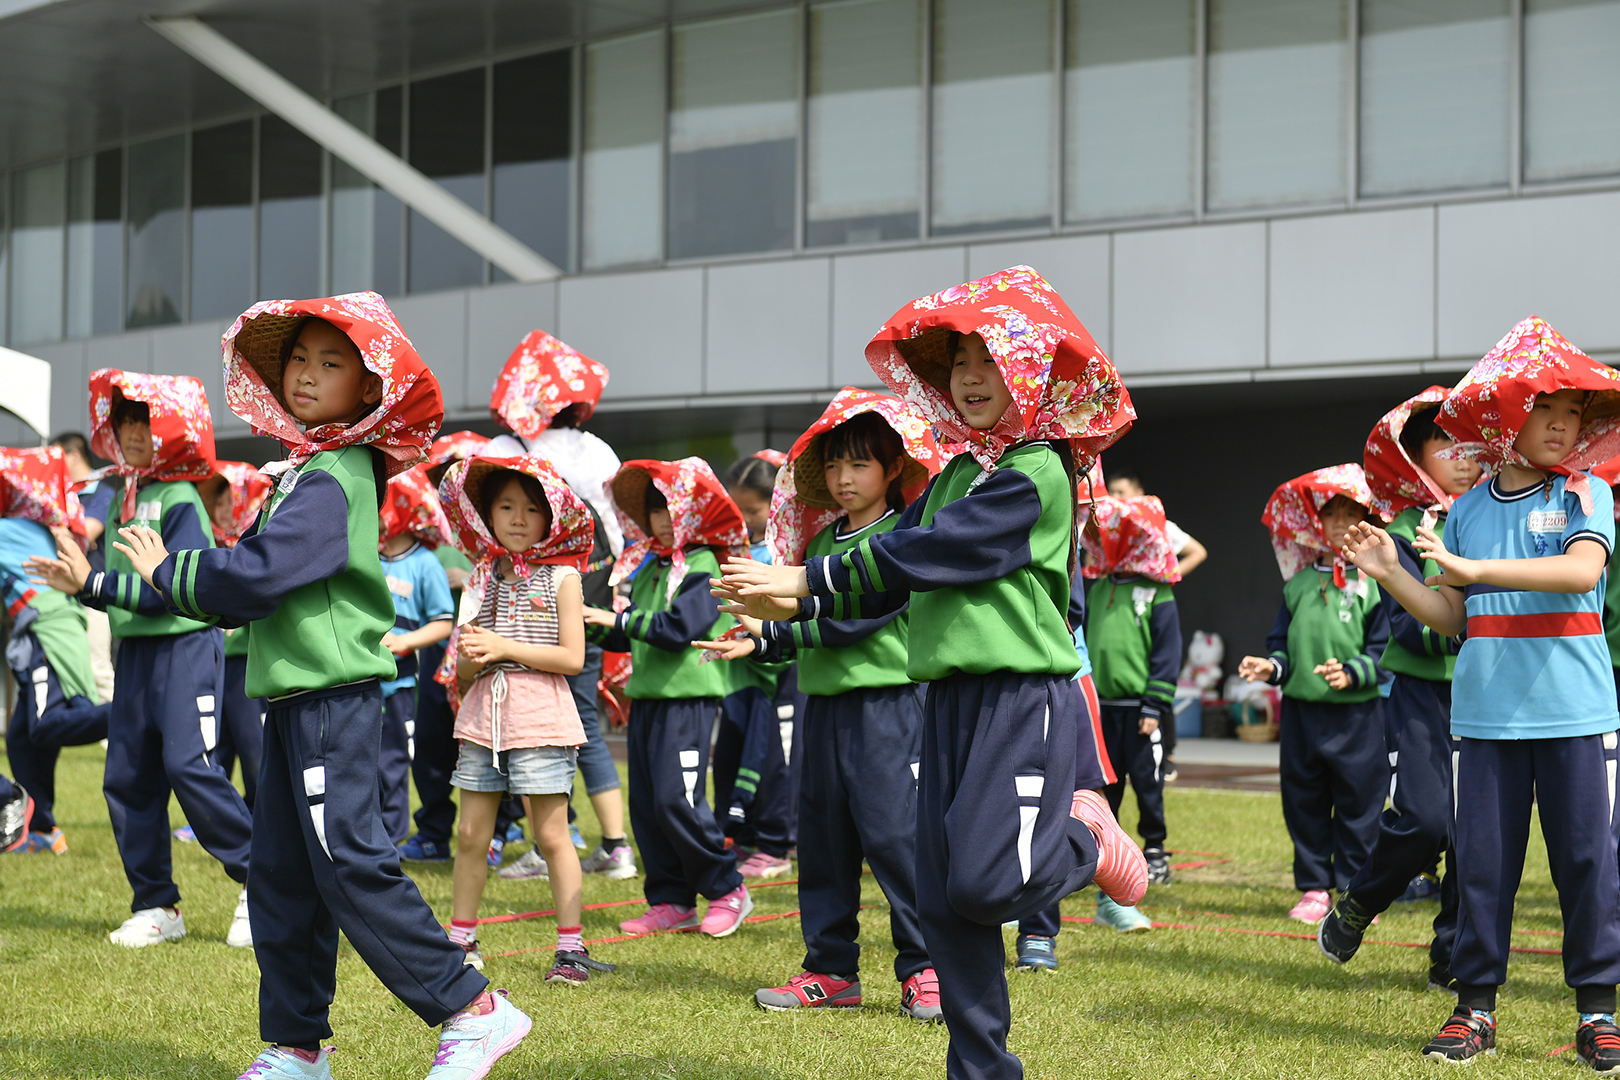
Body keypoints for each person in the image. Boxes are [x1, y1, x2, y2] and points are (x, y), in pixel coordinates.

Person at [715, 266, 1145, 1080]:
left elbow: (933, 550)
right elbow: (889, 563)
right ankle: (980, 1070)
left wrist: (806, 581)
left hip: (1021, 701)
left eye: (989, 359)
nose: (971, 377)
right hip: (944, 701)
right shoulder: (954, 471)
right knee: (947, 899)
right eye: (958, 364)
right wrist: (792, 608)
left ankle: (1087, 834)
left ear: (1030, 376)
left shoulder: (1042, 468)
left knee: (985, 885)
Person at [114, 293, 526, 1080]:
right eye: (297, 359)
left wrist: (172, 572)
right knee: (280, 879)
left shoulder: (337, 472)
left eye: (330, 364)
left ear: (369, 391)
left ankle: (472, 1008)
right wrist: (130, 582)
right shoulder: (311, 468)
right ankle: (298, 1047)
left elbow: (263, 575)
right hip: (294, 706)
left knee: (349, 862)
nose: (304, 374)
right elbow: (259, 582)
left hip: (332, 707)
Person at [1342, 317, 1620, 1070]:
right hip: (1487, 719)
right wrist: (1393, 572)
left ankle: (1598, 1009)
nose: (1564, 427)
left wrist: (1475, 570)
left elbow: (1580, 575)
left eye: (1576, 415)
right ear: (1508, 414)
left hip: (1578, 716)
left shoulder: (1585, 496)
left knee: (1587, 863)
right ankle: (1475, 1009)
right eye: (1547, 411)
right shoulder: (1462, 513)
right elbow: (1453, 619)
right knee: (1484, 868)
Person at [697, 390, 947, 1019]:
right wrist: (756, 641)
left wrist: (777, 626)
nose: (842, 479)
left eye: (859, 464)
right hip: (823, 710)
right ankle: (830, 969)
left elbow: (860, 614)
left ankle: (927, 968)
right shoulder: (821, 542)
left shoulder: (905, 536)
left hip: (888, 708)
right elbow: (804, 629)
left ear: (894, 469)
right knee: (824, 841)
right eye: (834, 466)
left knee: (896, 840)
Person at [27, 371, 254, 950]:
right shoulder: (123, 491)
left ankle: (264, 885)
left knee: (191, 768)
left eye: (145, 421)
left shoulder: (180, 500)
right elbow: (96, 564)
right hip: (136, 654)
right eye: (125, 420)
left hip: (185, 648)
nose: (131, 432)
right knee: (126, 776)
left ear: (173, 430)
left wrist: (92, 583)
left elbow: (169, 590)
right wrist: (79, 581)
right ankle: (156, 905)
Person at [1317, 388, 1480, 987]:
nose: (1465, 457)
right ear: (1413, 457)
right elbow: (1413, 627)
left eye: (1472, 445)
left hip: (1486, 696)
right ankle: (1360, 904)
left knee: (1474, 830)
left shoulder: (1491, 515)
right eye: (1446, 444)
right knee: (1425, 818)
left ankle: (1452, 956)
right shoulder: (1400, 529)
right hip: (1420, 695)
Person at [436, 453, 615, 986]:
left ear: (551, 517)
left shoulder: (564, 578)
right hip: (483, 718)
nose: (516, 518)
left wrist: (501, 646)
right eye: (505, 506)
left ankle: (570, 948)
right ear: (487, 515)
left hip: (541, 716)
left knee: (551, 834)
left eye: (530, 509)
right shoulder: (481, 577)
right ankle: (461, 938)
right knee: (470, 833)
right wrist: (472, 655)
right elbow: (467, 663)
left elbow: (572, 659)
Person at [583, 457, 755, 938]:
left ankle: (728, 889)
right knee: (648, 805)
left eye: (671, 509)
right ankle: (671, 900)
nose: (661, 519)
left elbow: (680, 629)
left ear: (694, 514)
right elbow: (632, 633)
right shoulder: (648, 566)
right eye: (654, 510)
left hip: (688, 700)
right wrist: (587, 623)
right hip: (650, 697)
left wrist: (612, 621)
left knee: (677, 800)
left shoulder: (703, 564)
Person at [486, 331, 632, 880]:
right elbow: (621, 534)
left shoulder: (507, 452)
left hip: (521, 603)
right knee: (583, 721)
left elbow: (480, 527)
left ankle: (555, 841)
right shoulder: (597, 450)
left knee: (528, 723)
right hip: (585, 597)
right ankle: (615, 846)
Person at [1240, 466, 1388, 925]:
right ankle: (1312, 888)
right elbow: (1281, 643)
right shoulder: (1299, 583)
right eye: (1332, 515)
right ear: (1316, 524)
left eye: (1352, 513)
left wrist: (1354, 672)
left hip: (1359, 717)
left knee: (1360, 804)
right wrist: (1272, 668)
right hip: (1303, 714)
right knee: (1303, 800)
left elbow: (1385, 649)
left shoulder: (1378, 582)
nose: (1341, 524)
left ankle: (1353, 887)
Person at [2, 446, 106, 853]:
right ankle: (42, 829)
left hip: (48, 634)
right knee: (21, 738)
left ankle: (132, 713)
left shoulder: (10, 528)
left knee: (45, 725)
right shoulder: (27, 526)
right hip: (45, 631)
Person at [1083, 494, 1183, 889]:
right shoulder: (1096, 585)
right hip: (1100, 708)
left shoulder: (1158, 592)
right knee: (1106, 786)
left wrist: (1154, 705)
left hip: (1140, 710)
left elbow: (1167, 652)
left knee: (1147, 783)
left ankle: (1155, 850)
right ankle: (1110, 854)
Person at [715, 450, 800, 879]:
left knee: (775, 755)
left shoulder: (786, 548)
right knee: (738, 749)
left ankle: (777, 842)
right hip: (742, 670)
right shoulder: (736, 546)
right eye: (739, 509)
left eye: (754, 509)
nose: (747, 518)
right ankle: (745, 833)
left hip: (781, 668)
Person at [376, 464, 456, 844]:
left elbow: (443, 622)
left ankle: (390, 841)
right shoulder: (363, 556)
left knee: (392, 763)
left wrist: (406, 641)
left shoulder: (425, 563)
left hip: (402, 683)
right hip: (361, 681)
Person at [197, 460, 274, 808]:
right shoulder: (212, 545)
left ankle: (260, 812)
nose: (224, 509)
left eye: (232, 500)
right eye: (219, 501)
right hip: (215, 662)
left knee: (251, 740)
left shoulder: (256, 548)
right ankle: (222, 812)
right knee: (218, 741)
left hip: (246, 662)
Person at [49, 431, 115, 703]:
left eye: (56, 456)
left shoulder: (103, 492)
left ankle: (115, 737)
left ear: (74, 454)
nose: (51, 464)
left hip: (95, 596)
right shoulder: (60, 496)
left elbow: (83, 536)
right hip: (63, 597)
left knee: (98, 670)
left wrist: (53, 524)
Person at [1105, 470, 1206, 577]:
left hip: (1145, 591)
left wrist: (1166, 579)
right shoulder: (1107, 527)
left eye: (1121, 492)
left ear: (1139, 494)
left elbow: (1198, 552)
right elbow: (1092, 560)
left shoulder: (1158, 527)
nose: (1115, 498)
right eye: (1111, 492)